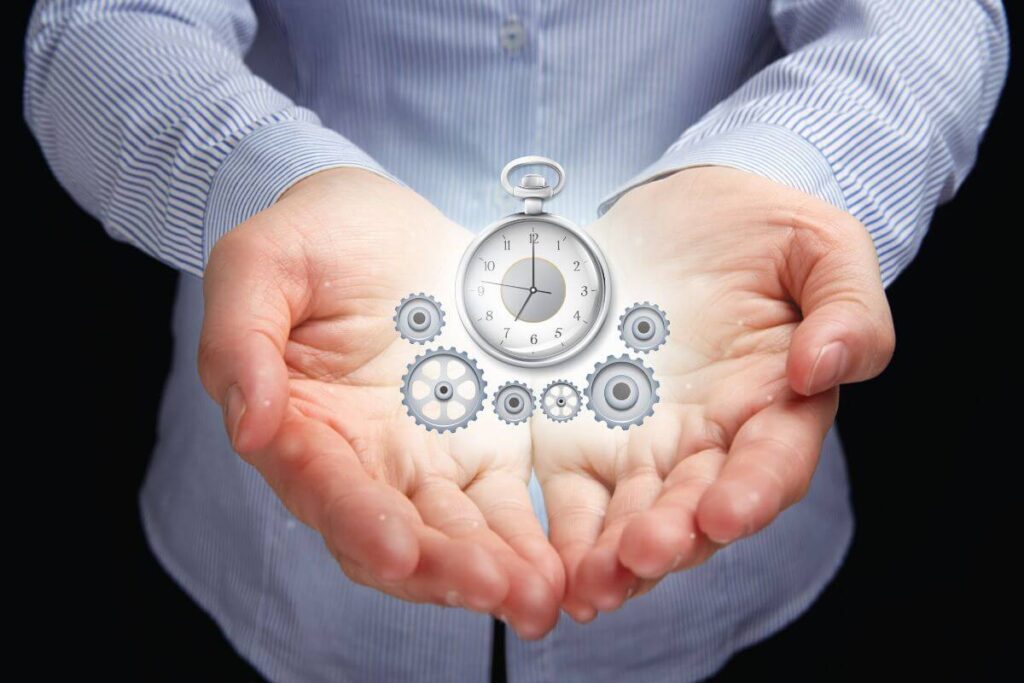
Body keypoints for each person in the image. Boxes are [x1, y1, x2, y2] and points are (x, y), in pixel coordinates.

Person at [24, 1, 1008, 681]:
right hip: (278, 544)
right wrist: (269, 181)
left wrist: (788, 177)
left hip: (728, 529)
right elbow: (104, 21)